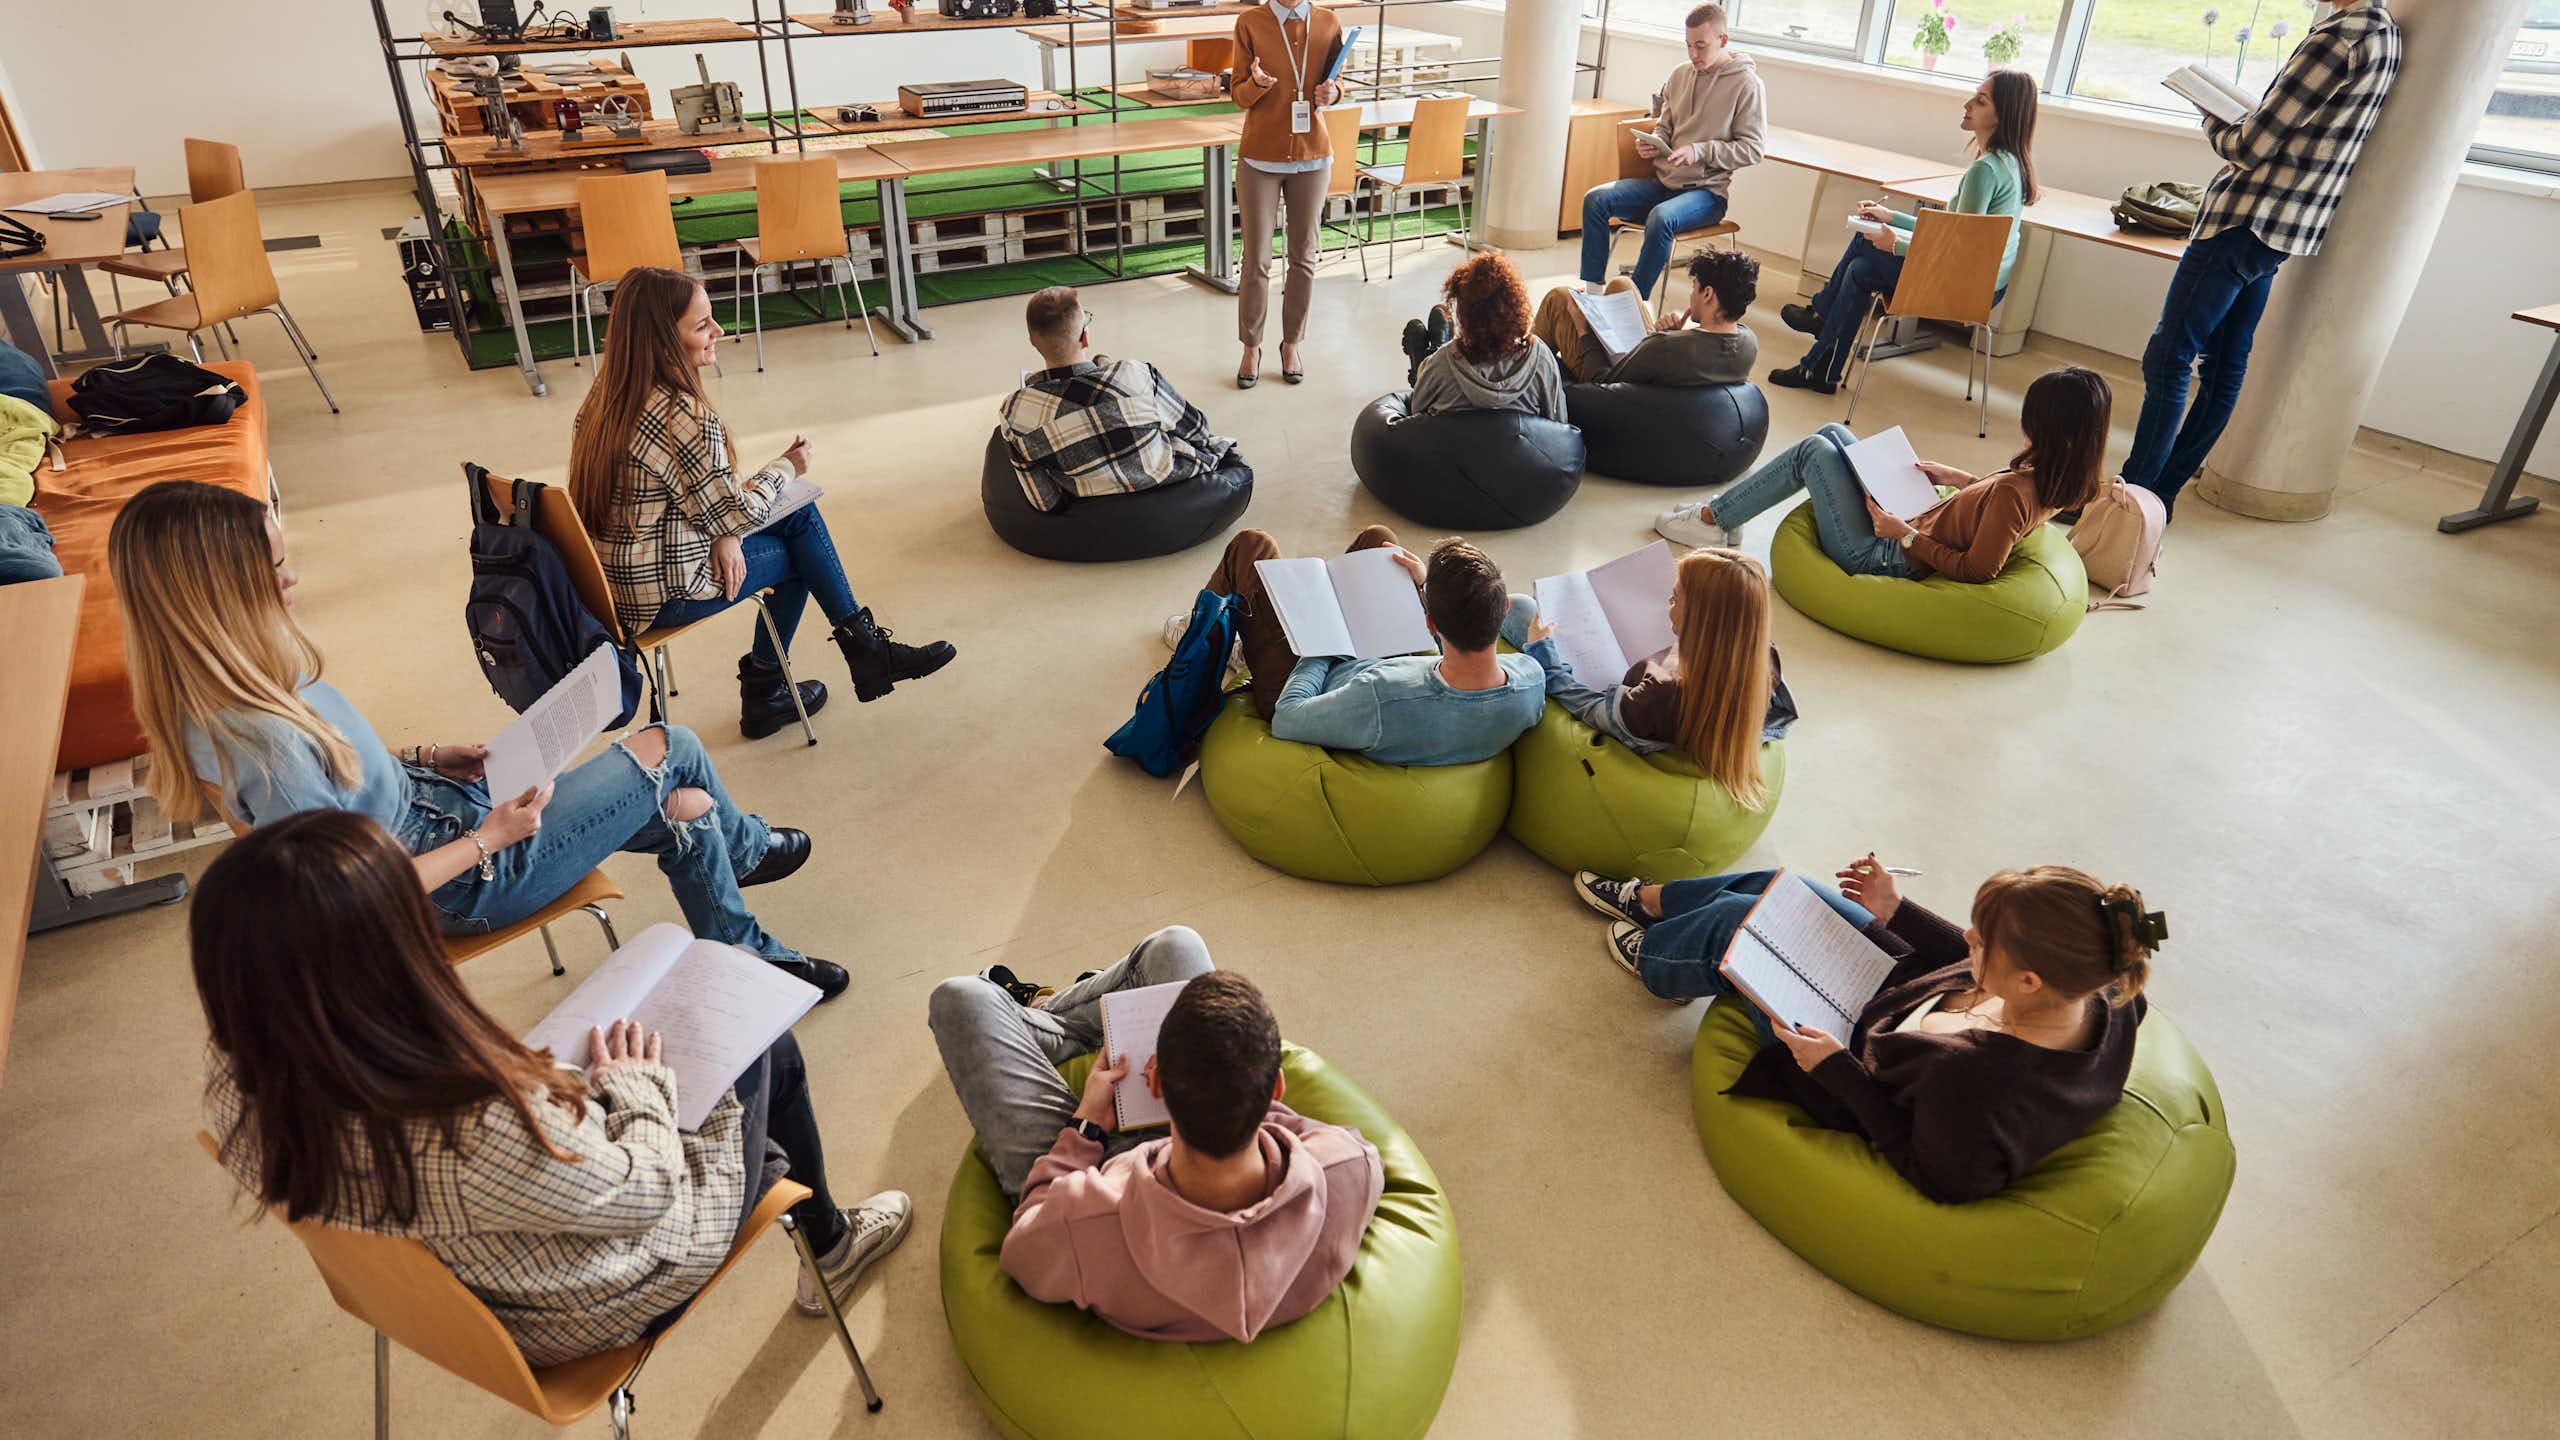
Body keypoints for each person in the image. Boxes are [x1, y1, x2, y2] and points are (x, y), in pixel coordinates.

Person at [195, 810, 912, 1364]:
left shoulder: (241, 1082)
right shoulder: (468, 1122)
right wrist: (634, 1090)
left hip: (461, 1295)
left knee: (694, 1067)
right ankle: (832, 1245)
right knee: (764, 1049)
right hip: (588, 1299)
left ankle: (801, 1205)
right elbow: (647, 1193)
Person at [109, 480, 850, 1000]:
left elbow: (331, 764)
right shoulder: (255, 743)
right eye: (275, 566)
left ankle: (749, 959)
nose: (294, 575)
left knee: (687, 807)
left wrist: (424, 756)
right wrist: (489, 840)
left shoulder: (228, 680)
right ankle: (750, 861)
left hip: (444, 810)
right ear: (221, 588)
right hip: (456, 878)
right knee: (672, 746)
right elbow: (343, 896)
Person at [1570, 858, 2163, 1203]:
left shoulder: (1979, 1081)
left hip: (1847, 1054)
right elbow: (1958, 966)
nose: (1966, 938)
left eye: (1982, 941)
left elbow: (1938, 1177)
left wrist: (1835, 1070)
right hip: (1897, 990)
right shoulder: (2100, 987)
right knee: (1782, 887)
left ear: (2029, 981)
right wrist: (1896, 911)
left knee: (1733, 927)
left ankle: (1657, 959)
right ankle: (1653, 902)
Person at [925, 929, 1385, 1341]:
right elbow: (1305, 1134)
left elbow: (1025, 1246)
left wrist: (1086, 1126)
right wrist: (1230, 1091)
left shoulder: (1080, 1222)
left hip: (1102, 1176)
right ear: (1277, 1089)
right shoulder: (1348, 1165)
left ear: (1157, 1084)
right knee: (1176, 947)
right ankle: (1054, 1022)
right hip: (1175, 1165)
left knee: (960, 999)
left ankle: (1046, 1023)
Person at [569, 266, 954, 735]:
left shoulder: (603, 398)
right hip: (665, 594)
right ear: (662, 340)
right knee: (800, 541)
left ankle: (837, 663)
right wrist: (788, 465)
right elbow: (736, 509)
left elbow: (703, 502)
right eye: (701, 325)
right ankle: (786, 682)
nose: (719, 332)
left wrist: (727, 531)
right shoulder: (679, 416)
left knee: (795, 518)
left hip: (618, 585)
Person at [2123, 0, 2400, 517]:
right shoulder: (2385, 34)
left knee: (2169, 357)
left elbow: (2249, 147)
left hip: (2244, 219)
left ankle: (2132, 498)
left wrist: (2211, 120)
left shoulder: (2337, 39)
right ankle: (2158, 495)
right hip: (2283, 228)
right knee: (2226, 363)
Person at [1654, 365, 2110, 584]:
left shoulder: (2019, 490)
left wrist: (1905, 535)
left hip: (1883, 554)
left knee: (1812, 450)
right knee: (1834, 430)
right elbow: (1996, 507)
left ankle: (1715, 520)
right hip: (1917, 518)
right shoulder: (2058, 477)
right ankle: (1727, 518)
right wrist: (1956, 477)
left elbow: (1979, 570)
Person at [1770, 70, 2038, 395]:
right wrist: (1891, 217)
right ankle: (1820, 367)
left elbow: (1958, 245)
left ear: (2002, 114)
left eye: (1980, 101)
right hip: (1982, 284)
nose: (1967, 105)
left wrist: (1895, 244)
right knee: (1859, 270)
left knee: (1863, 242)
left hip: (1965, 286)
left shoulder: (1984, 171)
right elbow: (1949, 230)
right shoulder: (2009, 164)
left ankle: (1821, 323)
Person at [1203, 526, 1544, 765]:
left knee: (1252, 545)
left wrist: (1322, 644)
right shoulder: (1531, 677)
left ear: (1430, 624)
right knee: (1381, 542)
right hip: (1379, 658)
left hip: (1314, 679)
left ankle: (1205, 634)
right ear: (1503, 611)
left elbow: (1287, 719)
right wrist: (1423, 584)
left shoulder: (1381, 695)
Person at [1503, 547, 1794, 808]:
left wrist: (1542, 650)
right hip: (1646, 688)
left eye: (1675, 597)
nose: (1668, 601)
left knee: (1518, 608)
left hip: (1620, 700)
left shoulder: (1661, 694)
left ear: (1700, 619)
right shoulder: (1762, 658)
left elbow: (1585, 705)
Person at [1578, 4, 1765, 302]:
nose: (1693, 54)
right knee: (1596, 200)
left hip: (1706, 194)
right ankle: (1592, 293)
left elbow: (1753, 149)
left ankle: (1631, 303)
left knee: (1661, 219)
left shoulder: (1747, 84)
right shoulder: (1680, 75)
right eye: (1689, 45)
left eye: (1701, 46)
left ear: (1723, 40)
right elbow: (1664, 126)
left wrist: (1699, 151)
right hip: (1663, 184)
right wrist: (1654, 141)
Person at [1001, 285, 1240, 511]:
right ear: (1085, 337)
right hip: (1163, 481)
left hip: (1089, 501)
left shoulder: (1015, 411)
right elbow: (1197, 429)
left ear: (1032, 341)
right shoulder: (1136, 374)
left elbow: (1045, 501)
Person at [1227, 0, 1347, 389]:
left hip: (1313, 157)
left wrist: (1334, 94)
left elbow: (1338, 83)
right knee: (1256, 260)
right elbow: (1238, 95)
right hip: (1259, 157)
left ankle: (1292, 343)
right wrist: (1255, 85)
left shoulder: (1328, 22)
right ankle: (1251, 346)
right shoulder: (1250, 23)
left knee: (1304, 258)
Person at [1528, 249, 1761, 387]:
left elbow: (1603, 382)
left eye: (1694, 287)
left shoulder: (1666, 346)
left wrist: (1582, 329)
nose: (1691, 295)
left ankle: (1520, 370)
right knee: (1623, 284)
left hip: (1616, 387)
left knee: (1559, 298)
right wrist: (1671, 335)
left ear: (1708, 294)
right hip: (1653, 370)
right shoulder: (1748, 342)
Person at [1396, 253, 1566, 421]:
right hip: (1521, 446)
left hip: (1455, 447)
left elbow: (1416, 412)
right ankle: (1428, 357)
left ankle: (1424, 360)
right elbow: (1559, 420)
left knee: (1430, 368)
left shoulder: (1442, 364)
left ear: (1464, 315)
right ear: (1517, 306)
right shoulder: (1541, 359)